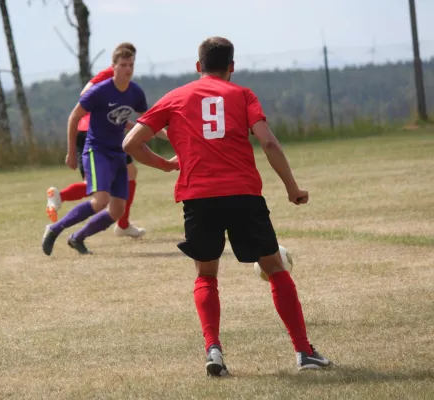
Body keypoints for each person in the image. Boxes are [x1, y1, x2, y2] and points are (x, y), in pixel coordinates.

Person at [122, 36, 332, 376]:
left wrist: (166, 165)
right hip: (243, 195)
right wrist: (292, 188)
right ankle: (304, 352)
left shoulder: (176, 97)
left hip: (198, 198)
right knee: (276, 268)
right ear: (232, 67)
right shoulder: (243, 95)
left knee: (206, 275)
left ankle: (214, 352)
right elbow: (267, 141)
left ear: (197, 67)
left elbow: (131, 142)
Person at [42, 46, 166, 256]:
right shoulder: (101, 91)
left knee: (117, 210)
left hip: (118, 152)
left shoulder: (135, 92)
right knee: (101, 201)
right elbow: (74, 117)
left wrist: (172, 136)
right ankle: (54, 229)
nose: (128, 69)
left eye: (131, 65)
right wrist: (71, 152)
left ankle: (77, 238)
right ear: (113, 67)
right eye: (123, 65)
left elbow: (149, 121)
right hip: (96, 150)